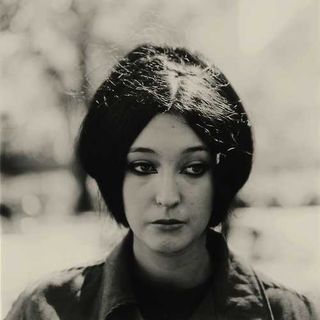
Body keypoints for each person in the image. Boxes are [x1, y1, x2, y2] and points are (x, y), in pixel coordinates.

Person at [5, 44, 318, 320]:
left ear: (220, 178)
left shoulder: (290, 314)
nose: (167, 197)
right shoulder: (43, 310)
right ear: (114, 174)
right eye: (143, 167)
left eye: (193, 168)